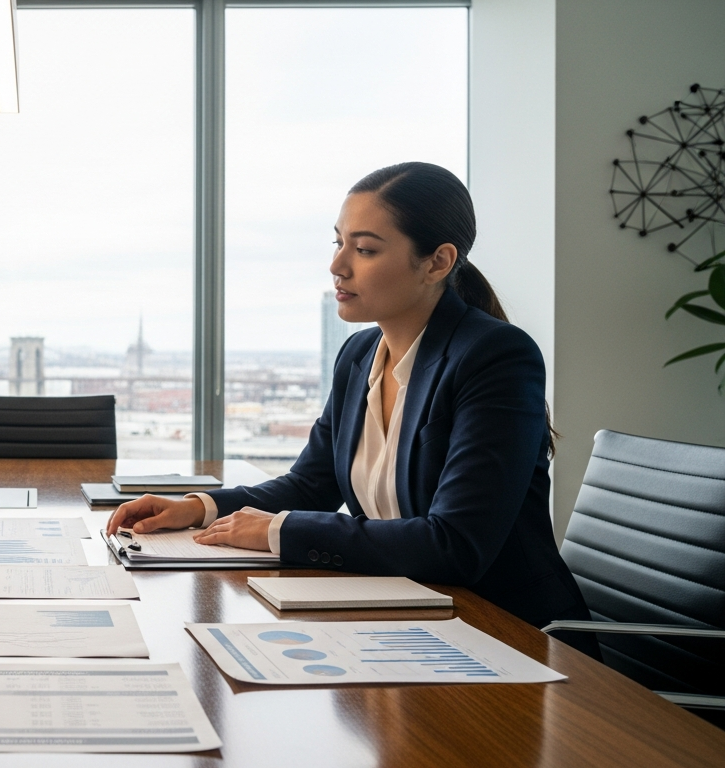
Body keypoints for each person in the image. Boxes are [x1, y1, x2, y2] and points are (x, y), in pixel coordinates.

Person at [106, 162, 596, 652]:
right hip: (406, 620)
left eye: (364, 249)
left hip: (508, 634)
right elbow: (311, 485)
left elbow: (455, 545)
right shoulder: (360, 354)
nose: (338, 265)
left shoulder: (495, 357)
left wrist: (279, 529)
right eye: (338, 243)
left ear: (437, 262)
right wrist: (199, 509)